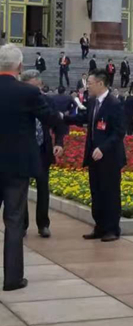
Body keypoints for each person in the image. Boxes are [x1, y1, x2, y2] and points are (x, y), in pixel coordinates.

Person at [0, 44, 63, 291]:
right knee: (14, 220)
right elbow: (51, 118)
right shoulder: (27, 92)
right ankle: (13, 278)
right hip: (17, 166)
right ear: (19, 66)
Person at [64, 69, 126, 242]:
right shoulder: (92, 101)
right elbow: (84, 117)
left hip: (109, 157)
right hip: (93, 156)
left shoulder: (114, 103)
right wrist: (63, 118)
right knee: (96, 192)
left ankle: (112, 229)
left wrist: (103, 148)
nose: (87, 87)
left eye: (90, 83)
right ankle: (99, 227)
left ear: (100, 83)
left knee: (110, 193)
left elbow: (119, 131)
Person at [20, 70, 66, 239]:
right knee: (21, 190)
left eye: (37, 87)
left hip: (42, 150)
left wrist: (59, 142)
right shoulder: (19, 101)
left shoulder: (47, 101)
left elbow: (58, 123)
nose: (35, 91)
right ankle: (22, 225)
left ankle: (43, 224)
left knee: (43, 188)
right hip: (23, 151)